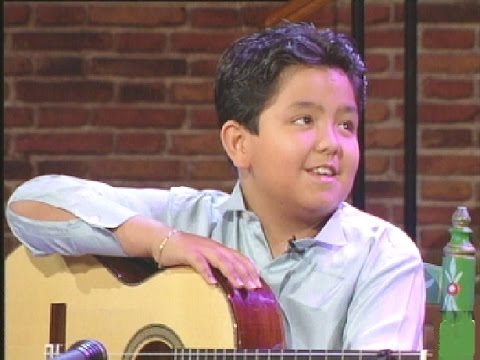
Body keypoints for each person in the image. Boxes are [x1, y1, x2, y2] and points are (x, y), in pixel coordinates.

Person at [6, 22, 425, 350]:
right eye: (305, 120)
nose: (331, 143)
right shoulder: (191, 218)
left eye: (346, 125)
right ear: (239, 143)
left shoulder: (383, 256)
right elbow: (30, 204)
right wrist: (160, 242)